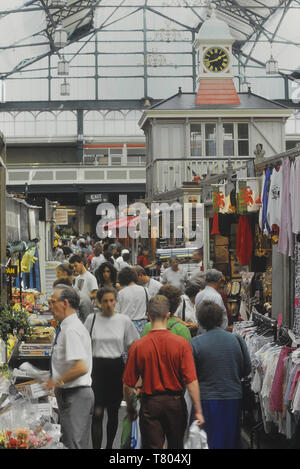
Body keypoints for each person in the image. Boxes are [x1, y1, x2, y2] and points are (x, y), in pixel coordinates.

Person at [123, 295, 205, 449]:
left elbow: (128, 385)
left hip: (150, 404)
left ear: (148, 315)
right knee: (176, 446)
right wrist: (198, 410)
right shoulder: (181, 344)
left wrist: (130, 408)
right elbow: (191, 380)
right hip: (175, 404)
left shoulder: (138, 346)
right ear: (168, 315)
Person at [190, 301, 252, 449]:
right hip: (232, 397)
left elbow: (190, 375)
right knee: (229, 439)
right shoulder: (237, 339)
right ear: (220, 318)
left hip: (205, 399)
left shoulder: (195, 343)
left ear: (200, 320)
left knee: (207, 440)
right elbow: (246, 369)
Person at [84, 287, 139, 449]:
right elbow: (84, 343)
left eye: (111, 300)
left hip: (116, 368)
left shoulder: (124, 321)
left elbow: (133, 346)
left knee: (113, 412)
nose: (109, 304)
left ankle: (109, 446)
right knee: (97, 413)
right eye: (105, 301)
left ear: (116, 301)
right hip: (97, 369)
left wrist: (133, 370)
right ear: (99, 303)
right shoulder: (91, 319)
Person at [45, 286, 94, 449]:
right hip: (71, 395)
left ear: (65, 303)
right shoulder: (67, 327)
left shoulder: (71, 330)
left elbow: (81, 367)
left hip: (76, 396)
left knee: (74, 445)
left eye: (52, 302)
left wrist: (55, 382)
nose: (49, 306)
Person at [115, 267, 149, 336]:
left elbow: (116, 312)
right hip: (143, 326)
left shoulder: (121, 293)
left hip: (126, 326)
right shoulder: (145, 290)